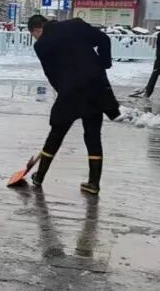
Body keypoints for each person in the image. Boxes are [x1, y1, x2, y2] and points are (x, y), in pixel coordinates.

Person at [27, 15, 117, 194]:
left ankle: (40, 176)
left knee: (56, 133)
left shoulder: (41, 45)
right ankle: (94, 183)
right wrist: (103, 64)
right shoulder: (75, 25)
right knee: (93, 136)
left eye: (34, 35)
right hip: (96, 87)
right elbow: (104, 40)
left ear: (37, 30)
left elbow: (51, 73)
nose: (35, 38)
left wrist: (63, 90)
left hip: (70, 92)